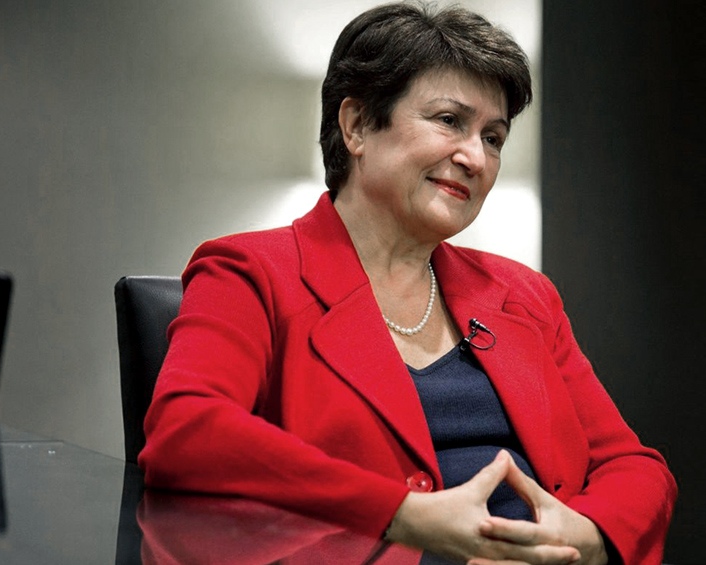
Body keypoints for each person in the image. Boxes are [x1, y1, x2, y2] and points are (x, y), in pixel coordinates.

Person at [138, 2, 677, 564]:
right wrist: (405, 516)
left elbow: (632, 466)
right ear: (356, 126)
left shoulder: (525, 294)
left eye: (494, 137)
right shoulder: (249, 272)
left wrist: (584, 537)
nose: (475, 157)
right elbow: (188, 432)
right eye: (449, 121)